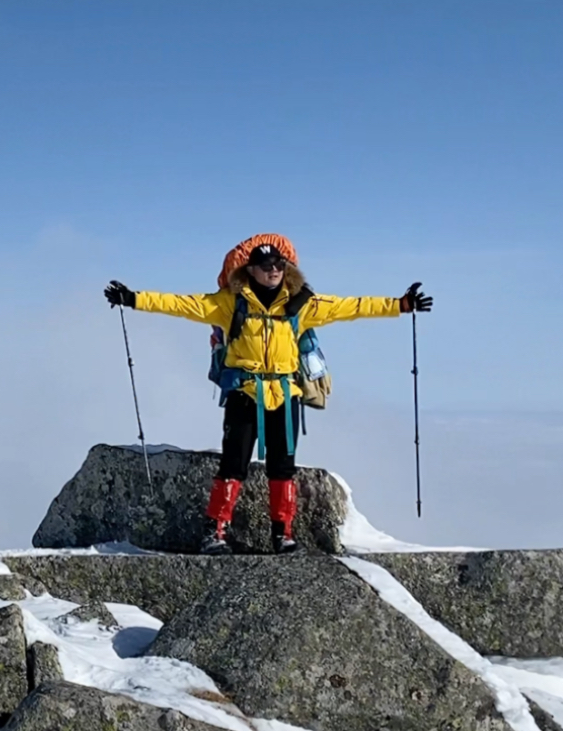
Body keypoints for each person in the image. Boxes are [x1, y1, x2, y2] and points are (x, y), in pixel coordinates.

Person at [103, 234, 432, 555]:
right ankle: (214, 532)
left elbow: (352, 307)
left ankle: (283, 535)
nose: (273, 270)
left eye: (278, 264)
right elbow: (179, 304)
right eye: (264, 265)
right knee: (233, 465)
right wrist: (133, 298)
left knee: (282, 467)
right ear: (251, 270)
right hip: (245, 392)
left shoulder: (301, 305)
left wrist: (400, 305)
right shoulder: (229, 304)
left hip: (284, 394)